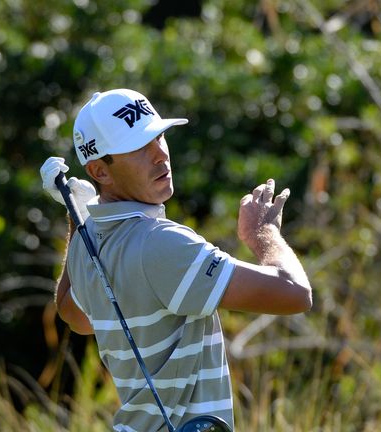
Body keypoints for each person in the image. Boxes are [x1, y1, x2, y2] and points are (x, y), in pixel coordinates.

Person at [40, 88, 312, 432]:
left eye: (159, 137)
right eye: (139, 147)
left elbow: (75, 315)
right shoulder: (161, 243)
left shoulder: (91, 239)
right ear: (100, 171)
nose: (160, 155)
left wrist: (77, 218)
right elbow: (295, 293)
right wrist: (263, 233)